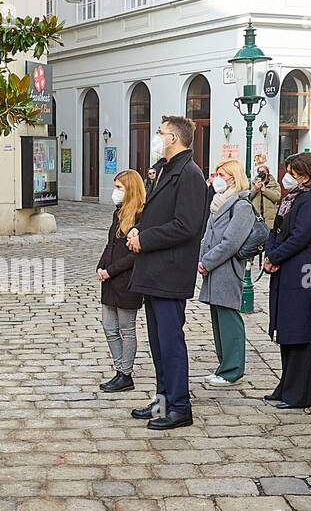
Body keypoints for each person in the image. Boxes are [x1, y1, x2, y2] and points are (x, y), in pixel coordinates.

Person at [126, 116, 210, 431]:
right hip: (155, 270)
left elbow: (186, 226)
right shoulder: (166, 170)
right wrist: (138, 230)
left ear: (173, 137)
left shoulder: (189, 174)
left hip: (170, 271)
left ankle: (179, 406)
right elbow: (157, 214)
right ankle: (163, 400)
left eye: (160, 133)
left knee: (171, 342)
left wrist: (144, 239)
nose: (156, 138)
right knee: (159, 343)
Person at [263, 152, 311, 409]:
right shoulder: (290, 198)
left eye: (294, 172)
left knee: (297, 328)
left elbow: (300, 236)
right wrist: (270, 251)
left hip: (300, 269)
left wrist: (276, 255)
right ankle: (286, 384)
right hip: (284, 268)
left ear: (306, 176)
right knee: (286, 329)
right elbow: (276, 228)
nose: (288, 176)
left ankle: (299, 392)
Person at [196, 158, 255, 387]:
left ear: (233, 177)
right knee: (218, 320)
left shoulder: (241, 206)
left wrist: (207, 261)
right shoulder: (218, 202)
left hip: (227, 270)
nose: (216, 178)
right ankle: (223, 365)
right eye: (216, 174)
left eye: (221, 174)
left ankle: (232, 369)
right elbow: (208, 234)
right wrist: (201, 259)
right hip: (213, 269)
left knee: (229, 319)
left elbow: (231, 242)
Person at [96, 169, 147, 393]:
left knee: (126, 329)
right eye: (115, 187)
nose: (115, 192)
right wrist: (101, 266)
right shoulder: (118, 213)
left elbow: (135, 255)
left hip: (126, 280)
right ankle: (119, 369)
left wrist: (111, 271)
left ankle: (125, 374)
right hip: (109, 279)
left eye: (119, 188)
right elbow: (111, 245)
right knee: (109, 327)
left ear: (130, 190)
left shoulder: (141, 215)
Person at [250, 162, 281, 228]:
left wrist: (265, 191)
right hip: (256, 216)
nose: (261, 173)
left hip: (269, 218)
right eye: (259, 172)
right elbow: (248, 197)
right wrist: (255, 188)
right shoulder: (253, 183)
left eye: (263, 171)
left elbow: (277, 197)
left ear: (267, 172)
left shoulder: (274, 184)